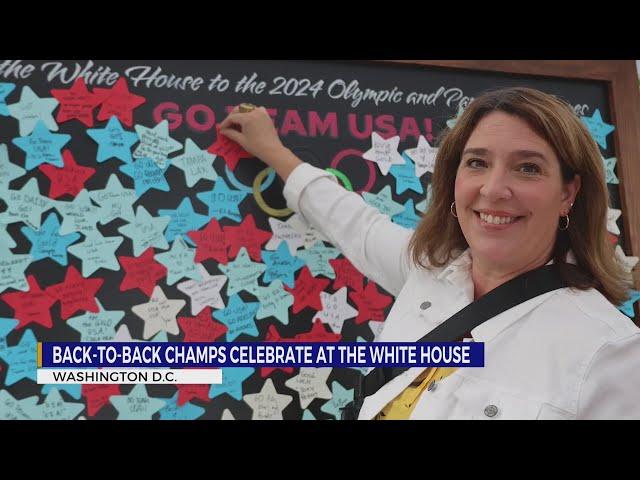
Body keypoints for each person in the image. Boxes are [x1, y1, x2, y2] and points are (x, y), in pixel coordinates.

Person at [219, 87, 640, 420]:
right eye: (477, 163)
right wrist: (272, 150)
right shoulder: (426, 272)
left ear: (568, 192)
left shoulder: (612, 352)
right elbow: (351, 221)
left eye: (527, 167)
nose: (493, 189)